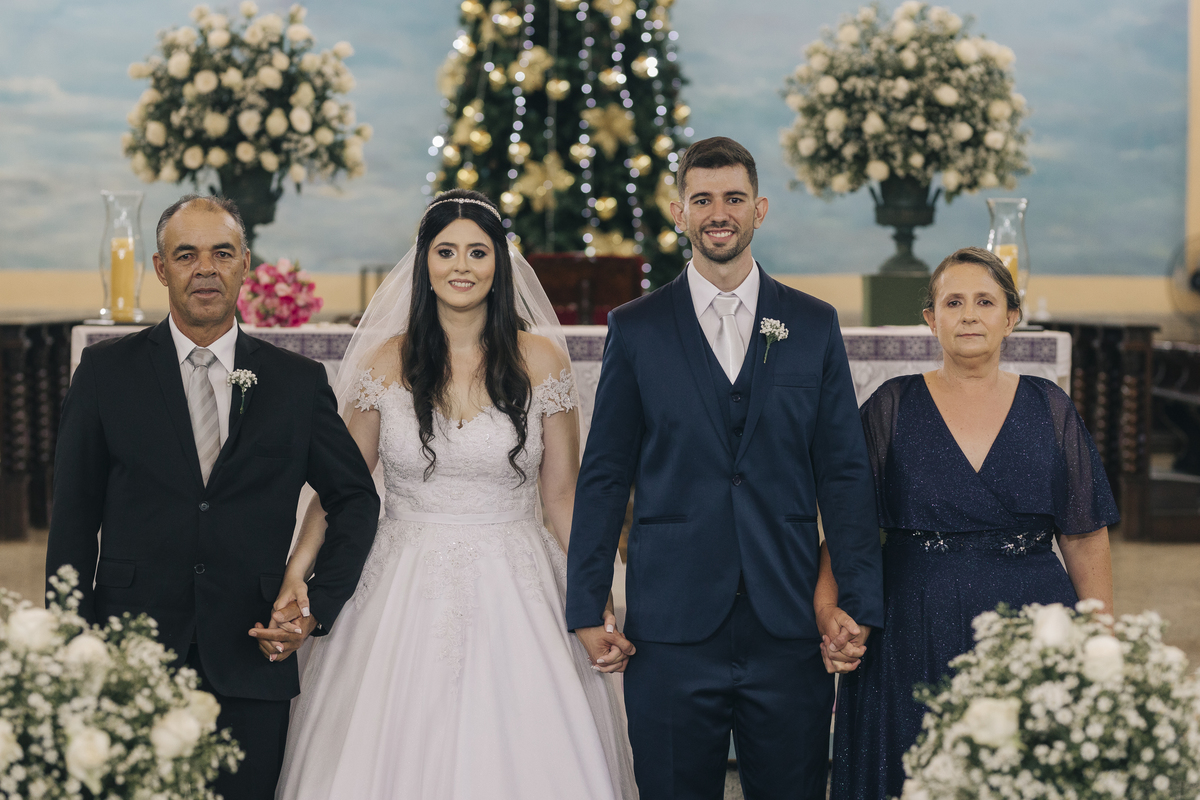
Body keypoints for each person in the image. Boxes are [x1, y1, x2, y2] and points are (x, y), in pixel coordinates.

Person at [272, 189, 638, 800]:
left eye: (477, 251)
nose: (461, 266)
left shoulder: (542, 361)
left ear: (499, 263)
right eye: (446, 252)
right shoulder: (385, 363)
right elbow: (341, 489)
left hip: (516, 576)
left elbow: (562, 498)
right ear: (424, 262)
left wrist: (594, 595)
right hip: (399, 579)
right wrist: (296, 571)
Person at [565, 136, 884, 800]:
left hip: (788, 616)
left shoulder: (811, 324)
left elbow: (845, 473)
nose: (719, 213)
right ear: (679, 212)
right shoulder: (637, 328)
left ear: (759, 210)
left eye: (734, 198)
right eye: (703, 199)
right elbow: (605, 474)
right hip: (670, 622)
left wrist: (855, 601)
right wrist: (588, 604)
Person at [45, 195, 380, 800]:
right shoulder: (104, 373)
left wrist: (316, 606)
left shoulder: (296, 382)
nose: (205, 268)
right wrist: (71, 645)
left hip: (252, 653)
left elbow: (355, 497)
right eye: (186, 254)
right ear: (160, 268)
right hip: (130, 652)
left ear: (245, 263)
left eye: (222, 253)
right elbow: (72, 520)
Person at [825, 246, 1118, 800]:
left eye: (985, 302)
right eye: (953, 302)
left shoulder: (1049, 406)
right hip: (913, 621)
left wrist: (1100, 642)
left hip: (1030, 623)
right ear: (930, 318)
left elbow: (1084, 535)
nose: (969, 315)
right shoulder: (891, 405)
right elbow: (847, 528)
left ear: (1011, 318)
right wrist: (830, 607)